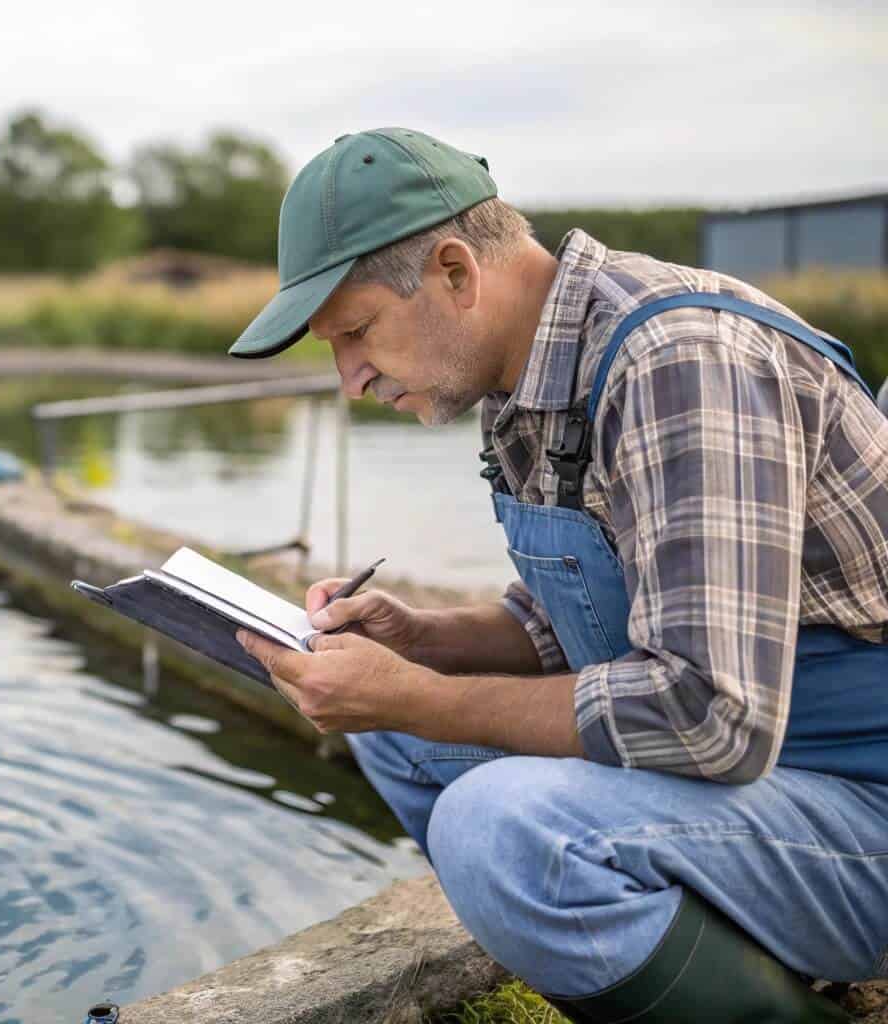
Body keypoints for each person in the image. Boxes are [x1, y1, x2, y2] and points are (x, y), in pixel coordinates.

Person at [231, 128, 888, 1022]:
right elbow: (571, 619)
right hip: (770, 777)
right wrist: (420, 640)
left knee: (499, 830)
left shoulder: (676, 359)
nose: (349, 378)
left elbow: (712, 714)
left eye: (355, 332)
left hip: (860, 793)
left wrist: (415, 694)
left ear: (456, 274)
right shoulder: (528, 373)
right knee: (393, 733)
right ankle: (714, 968)